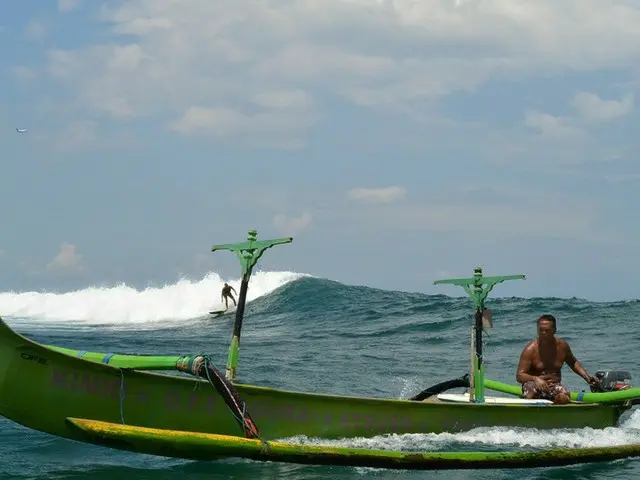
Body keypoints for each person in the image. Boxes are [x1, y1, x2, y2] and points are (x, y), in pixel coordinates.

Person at [516, 314, 597, 404]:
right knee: (532, 392)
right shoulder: (530, 349)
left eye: (547, 330)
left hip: (554, 385)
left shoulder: (562, 346)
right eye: (540, 330)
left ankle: (553, 411)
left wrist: (587, 378)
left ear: (554, 330)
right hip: (533, 385)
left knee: (564, 397)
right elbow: (519, 375)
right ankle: (528, 410)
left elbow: (573, 362)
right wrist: (535, 379)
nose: (543, 333)